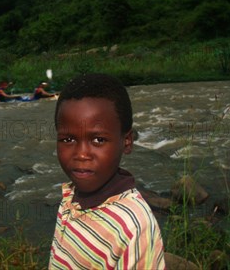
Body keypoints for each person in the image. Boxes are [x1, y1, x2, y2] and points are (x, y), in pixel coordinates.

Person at [49, 73, 165, 269]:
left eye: (98, 140)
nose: (82, 154)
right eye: (68, 140)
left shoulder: (134, 227)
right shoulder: (70, 196)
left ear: (126, 142)